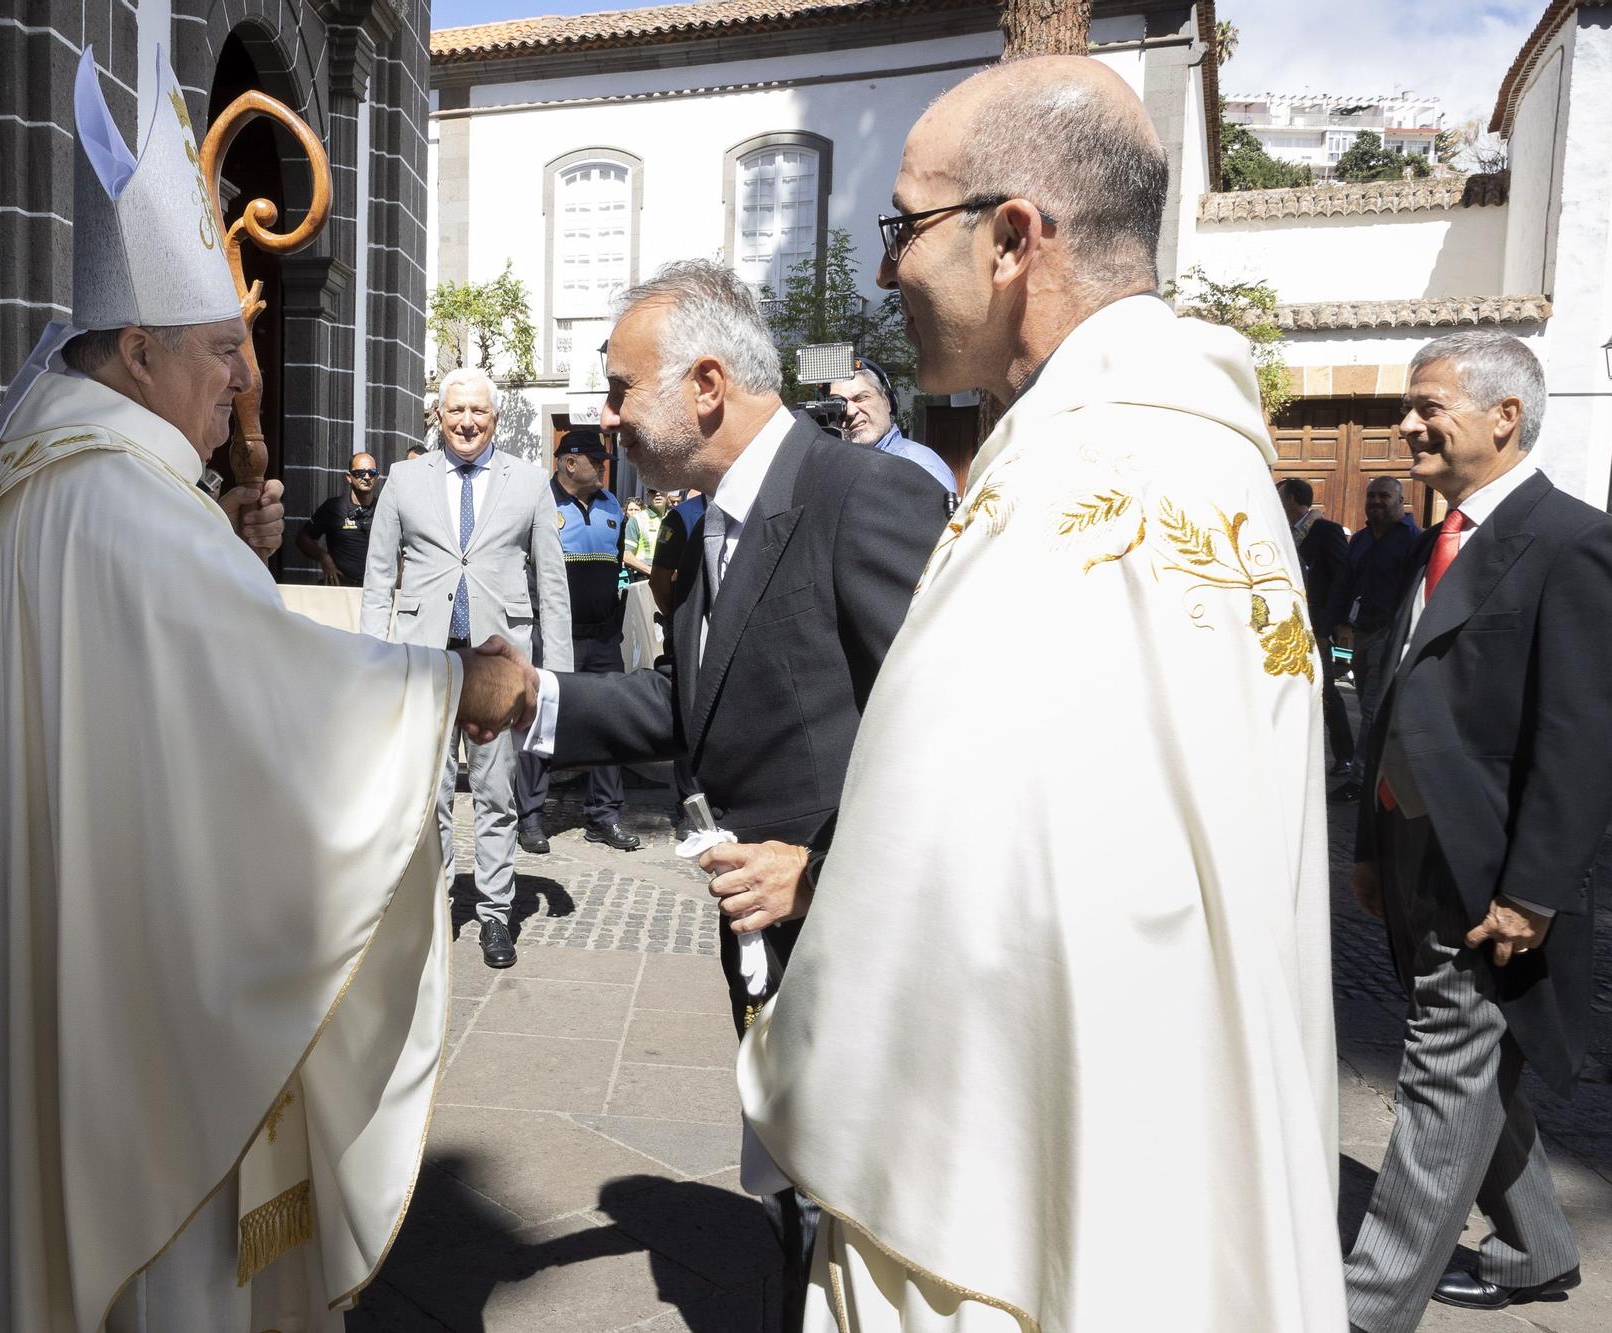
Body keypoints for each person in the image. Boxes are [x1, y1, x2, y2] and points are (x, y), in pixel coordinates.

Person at [0, 47, 527, 1333]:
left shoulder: (55, 482)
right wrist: (446, 692)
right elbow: (259, 699)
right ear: (136, 350)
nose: (239, 383)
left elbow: (172, 683)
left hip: (61, 934)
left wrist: (234, 555)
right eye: (215, 354)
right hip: (138, 1005)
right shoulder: (119, 502)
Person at [736, 57, 1347, 1332]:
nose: (886, 268)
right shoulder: (1208, 447)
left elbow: (926, 872)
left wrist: (791, 1048)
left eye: (903, 226)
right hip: (1181, 1139)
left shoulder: (1057, 493)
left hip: (1009, 1198)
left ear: (1012, 237)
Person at [479, 259, 947, 1331]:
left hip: (870, 959)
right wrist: (532, 697)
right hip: (767, 952)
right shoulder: (695, 524)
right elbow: (687, 701)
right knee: (806, 1211)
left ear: (702, 384)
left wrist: (823, 874)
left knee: (879, 1230)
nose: (601, 419)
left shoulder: (864, 497)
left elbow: (959, 742)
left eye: (615, 389)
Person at [1343, 331, 1612, 1333]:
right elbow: (1394, 698)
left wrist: (1531, 892)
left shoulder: (1571, 542)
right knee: (1476, 1064)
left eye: (1426, 405)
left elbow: (1582, 737)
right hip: (1412, 849)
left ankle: (1364, 1305)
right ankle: (1540, 1249)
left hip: (1493, 872)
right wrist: (1371, 845)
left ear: (1503, 416)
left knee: (1441, 1071)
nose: (1404, 424)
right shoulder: (1435, 535)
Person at [361, 367, 571, 970]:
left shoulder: (530, 482)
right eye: (455, 411)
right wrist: (373, 659)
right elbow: (378, 579)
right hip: (422, 661)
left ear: (495, 419)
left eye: (478, 412)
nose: (466, 422)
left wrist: (560, 681)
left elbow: (551, 586)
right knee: (425, 796)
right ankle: (431, 910)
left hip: (498, 666)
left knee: (494, 792)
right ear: (439, 416)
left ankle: (495, 914)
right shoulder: (402, 479)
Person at [515, 431, 642, 856]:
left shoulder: (612, 508)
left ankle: (604, 815)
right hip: (554, 638)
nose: (604, 466)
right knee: (538, 722)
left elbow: (616, 571)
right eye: (596, 460)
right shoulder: (539, 504)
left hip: (603, 638)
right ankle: (530, 817)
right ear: (570, 463)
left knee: (608, 725)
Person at [1328, 476, 1422, 801]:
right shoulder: (1361, 539)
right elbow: (1346, 583)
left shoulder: (1414, 539)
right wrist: (1339, 623)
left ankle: (1361, 780)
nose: (1376, 502)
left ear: (1400, 500)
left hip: (1390, 636)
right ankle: (1380, 772)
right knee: (1371, 706)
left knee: (1370, 711)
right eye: (1371, 496)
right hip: (1361, 634)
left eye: (1384, 496)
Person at [1278, 476, 1352, 779]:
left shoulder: (1325, 531)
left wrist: (1330, 625)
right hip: (1288, 625)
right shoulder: (1282, 533)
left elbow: (1341, 579)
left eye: (1280, 498)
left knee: (1327, 692)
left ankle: (1345, 754)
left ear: (1293, 500)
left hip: (1317, 627)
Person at [827, 358, 958, 493]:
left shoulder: (919, 466)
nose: (850, 411)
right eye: (839, 404)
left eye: (861, 398)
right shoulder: (838, 466)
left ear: (887, 401)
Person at [295, 451, 380, 586]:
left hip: (376, 589)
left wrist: (401, 574)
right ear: (349, 477)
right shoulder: (333, 507)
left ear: (377, 477)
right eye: (360, 473)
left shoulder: (385, 509)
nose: (367, 477)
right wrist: (324, 558)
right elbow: (303, 538)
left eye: (372, 472)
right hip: (341, 588)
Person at [621, 490, 665, 585]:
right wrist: (651, 571)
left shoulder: (675, 517)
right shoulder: (637, 519)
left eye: (661, 489)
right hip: (645, 577)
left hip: (671, 577)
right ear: (647, 493)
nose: (657, 493)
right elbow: (626, 555)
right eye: (653, 490)